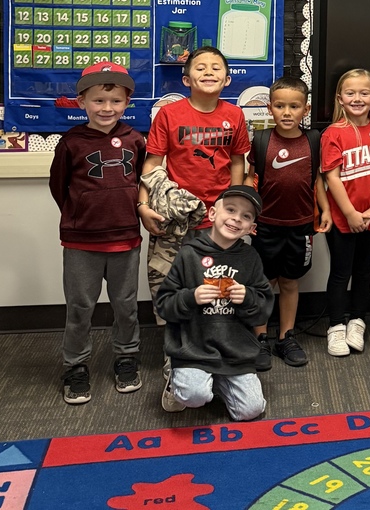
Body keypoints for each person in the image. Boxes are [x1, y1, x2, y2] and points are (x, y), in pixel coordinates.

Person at [49, 62, 146, 404]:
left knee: (126, 305)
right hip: (82, 242)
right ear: (81, 102)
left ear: (127, 102)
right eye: (99, 101)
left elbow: (140, 185)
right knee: (79, 306)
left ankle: (126, 357)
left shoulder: (135, 139)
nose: (107, 109)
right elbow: (59, 187)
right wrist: (82, 215)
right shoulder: (71, 142)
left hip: (126, 240)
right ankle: (75, 366)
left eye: (116, 101)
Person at [138, 46, 250, 303]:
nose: (208, 72)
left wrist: (231, 207)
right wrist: (142, 205)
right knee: (170, 284)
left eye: (215, 68)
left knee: (216, 285)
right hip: (175, 216)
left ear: (227, 79)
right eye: (200, 68)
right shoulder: (169, 114)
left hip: (216, 217)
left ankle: (211, 338)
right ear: (187, 80)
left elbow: (236, 162)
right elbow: (152, 164)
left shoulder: (235, 115)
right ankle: (174, 340)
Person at [156, 186, 274, 421]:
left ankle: (215, 379)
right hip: (194, 349)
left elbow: (262, 310)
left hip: (235, 351)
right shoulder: (189, 254)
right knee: (194, 396)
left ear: (251, 227)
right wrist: (192, 297)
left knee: (251, 410)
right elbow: (163, 304)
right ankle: (179, 379)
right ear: (212, 214)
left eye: (246, 216)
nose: (236, 218)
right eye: (230, 209)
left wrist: (248, 298)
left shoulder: (250, 257)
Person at [247, 77, 331, 370]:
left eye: (294, 106)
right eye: (280, 106)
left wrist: (325, 209)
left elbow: (316, 180)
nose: (286, 112)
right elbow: (250, 181)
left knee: (290, 282)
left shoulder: (313, 140)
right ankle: (260, 338)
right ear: (269, 108)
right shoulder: (261, 141)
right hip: (265, 225)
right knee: (263, 283)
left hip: (300, 227)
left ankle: (286, 336)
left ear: (305, 109)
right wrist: (246, 217)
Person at [321, 69, 370, 357]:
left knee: (364, 272)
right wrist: (351, 213)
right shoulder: (333, 133)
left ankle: (357, 321)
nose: (357, 98)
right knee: (341, 273)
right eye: (350, 93)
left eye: (364, 93)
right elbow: (332, 177)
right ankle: (336, 327)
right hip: (343, 219)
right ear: (340, 98)